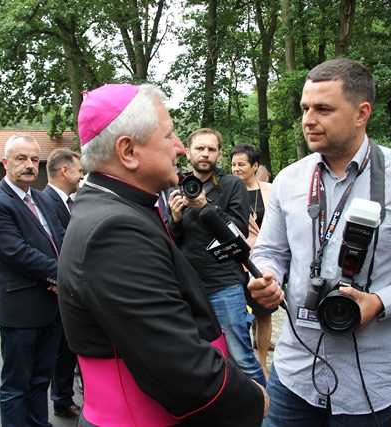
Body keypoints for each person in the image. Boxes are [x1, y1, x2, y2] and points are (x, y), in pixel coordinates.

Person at [247, 58, 391, 425]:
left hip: (369, 384)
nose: (308, 120)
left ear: (362, 112)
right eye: (305, 108)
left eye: (323, 109)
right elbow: (271, 250)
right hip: (295, 373)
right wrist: (267, 275)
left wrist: (380, 302)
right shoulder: (288, 180)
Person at [57, 83, 267, 426]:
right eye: (169, 135)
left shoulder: (117, 207)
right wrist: (251, 398)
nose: (180, 148)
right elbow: (177, 366)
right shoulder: (113, 231)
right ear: (128, 151)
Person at [166, 128, 268, 389]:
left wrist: (205, 208)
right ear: (188, 152)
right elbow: (169, 240)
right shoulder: (177, 187)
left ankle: (265, 408)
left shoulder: (233, 185)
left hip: (224, 285)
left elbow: (238, 233)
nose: (205, 154)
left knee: (241, 358)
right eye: (200, 148)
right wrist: (175, 219)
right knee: (199, 359)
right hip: (187, 287)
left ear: (219, 155)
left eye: (211, 149)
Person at [0, 133, 66, 427]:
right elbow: (17, 253)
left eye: (34, 160)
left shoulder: (42, 198)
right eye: (21, 159)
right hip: (21, 310)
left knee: (41, 379)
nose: (29, 165)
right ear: (5, 162)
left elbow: (61, 239)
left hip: (51, 306)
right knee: (17, 385)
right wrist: (62, 275)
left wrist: (65, 270)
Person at [42, 148, 83, 420]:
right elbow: (49, 244)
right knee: (60, 350)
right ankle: (61, 399)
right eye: (79, 170)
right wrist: (55, 278)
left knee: (68, 348)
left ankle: (65, 396)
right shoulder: (45, 201)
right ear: (64, 170)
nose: (82, 176)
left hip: (70, 287)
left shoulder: (70, 202)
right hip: (54, 289)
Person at [230, 143, 277, 379]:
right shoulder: (227, 190)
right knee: (240, 314)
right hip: (237, 259)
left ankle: (262, 362)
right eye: (233, 164)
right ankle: (242, 362)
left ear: (255, 166)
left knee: (264, 313)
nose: (236, 169)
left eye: (241, 164)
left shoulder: (271, 190)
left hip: (264, 261)